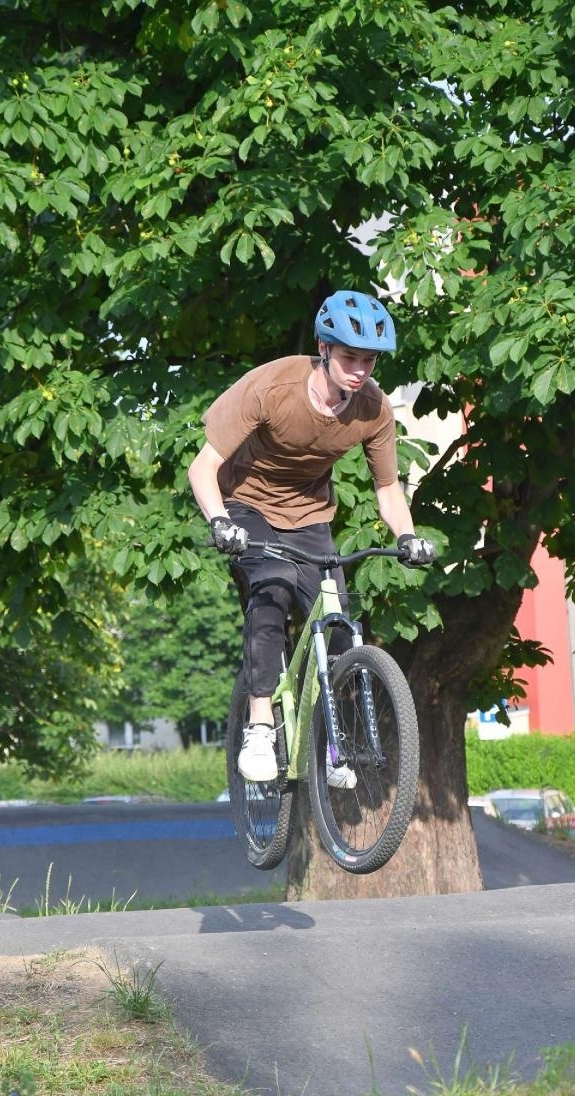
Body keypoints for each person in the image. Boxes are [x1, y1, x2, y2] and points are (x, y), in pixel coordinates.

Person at [188, 290, 434, 785]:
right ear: (324, 348)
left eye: (368, 360)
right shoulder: (272, 387)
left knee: (340, 624)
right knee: (273, 585)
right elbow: (203, 466)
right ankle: (260, 724)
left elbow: (387, 487)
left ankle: (332, 748)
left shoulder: (373, 409)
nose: (360, 369)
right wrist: (220, 522)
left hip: (310, 517)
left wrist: (407, 536)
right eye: (350, 357)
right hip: (245, 504)